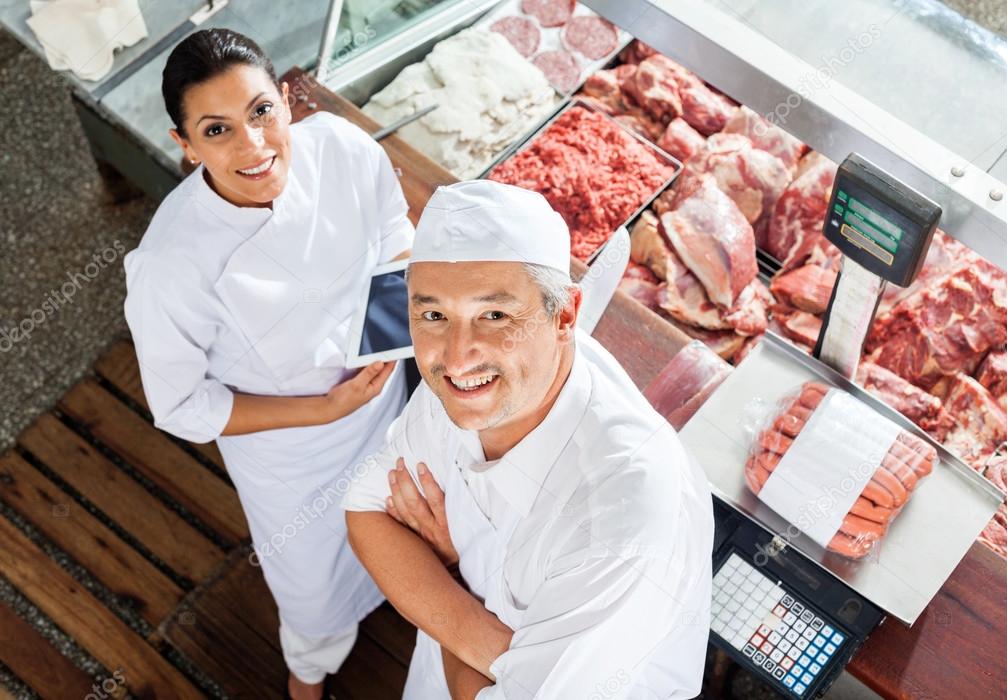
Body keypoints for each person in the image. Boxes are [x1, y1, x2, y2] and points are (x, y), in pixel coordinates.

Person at [123, 28, 413, 699]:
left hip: (387, 398)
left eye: (260, 112)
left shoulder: (339, 148)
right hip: (293, 455)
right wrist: (323, 407)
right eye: (217, 130)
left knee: (404, 520)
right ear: (186, 146)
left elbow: (394, 234)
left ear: (286, 100)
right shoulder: (171, 265)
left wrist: (384, 341)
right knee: (313, 583)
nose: (253, 145)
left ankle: (404, 594)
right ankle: (306, 674)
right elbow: (182, 405)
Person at [344, 180, 715, 698]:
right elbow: (364, 510)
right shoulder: (465, 386)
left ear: (564, 315)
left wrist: (447, 579)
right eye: (433, 315)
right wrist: (487, 637)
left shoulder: (627, 520)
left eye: (493, 315)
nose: (455, 357)